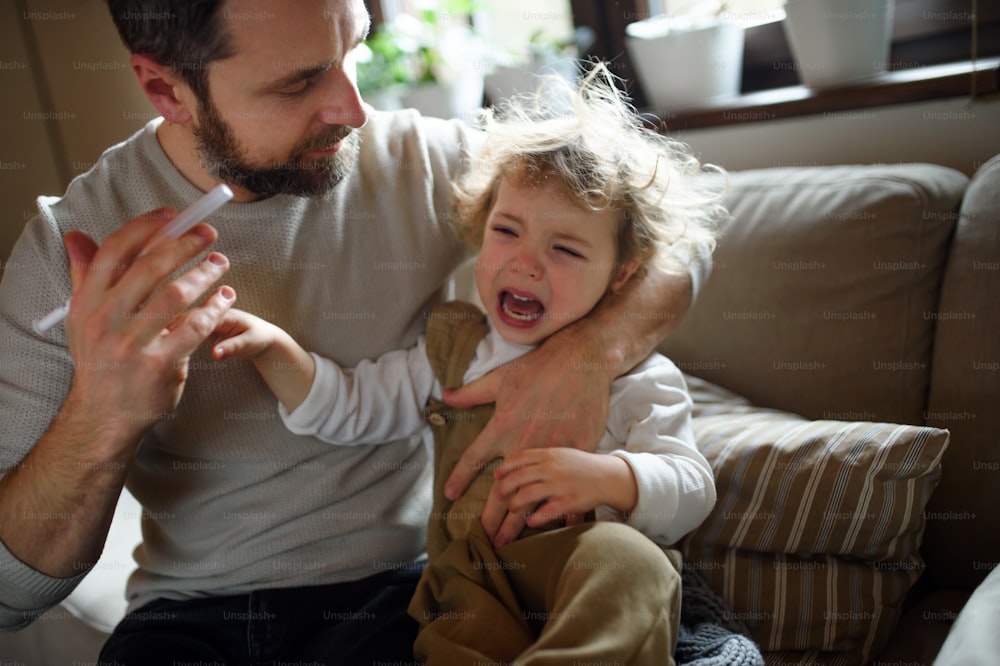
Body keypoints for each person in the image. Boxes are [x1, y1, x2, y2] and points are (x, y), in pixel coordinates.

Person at [0, 1, 711, 664]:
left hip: (409, 589)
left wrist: (586, 357)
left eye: (354, 51)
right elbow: (10, 594)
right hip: (196, 618)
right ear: (165, 90)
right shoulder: (70, 253)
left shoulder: (420, 162)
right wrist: (102, 413)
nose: (354, 108)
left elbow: (676, 249)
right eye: (300, 81)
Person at [209, 64, 722, 665]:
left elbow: (692, 487)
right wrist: (275, 349)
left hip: (584, 566)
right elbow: (352, 406)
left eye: (564, 248)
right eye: (507, 231)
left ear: (622, 273)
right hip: (474, 576)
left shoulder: (636, 375)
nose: (526, 264)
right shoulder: (454, 350)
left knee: (635, 566)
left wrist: (612, 479)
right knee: (450, 620)